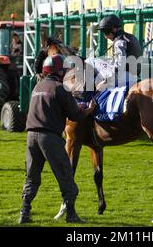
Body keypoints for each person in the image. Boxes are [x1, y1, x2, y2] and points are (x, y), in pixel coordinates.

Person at [19, 54, 96, 224]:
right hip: (49, 138)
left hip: (31, 137)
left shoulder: (37, 87)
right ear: (60, 72)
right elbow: (74, 115)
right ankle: (71, 215)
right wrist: (88, 110)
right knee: (66, 175)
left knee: (32, 177)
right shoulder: (60, 88)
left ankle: (24, 213)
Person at [96, 14, 143, 89]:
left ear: (114, 29)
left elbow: (120, 65)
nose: (105, 36)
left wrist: (106, 81)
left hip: (124, 77)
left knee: (97, 87)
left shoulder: (119, 42)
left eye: (106, 32)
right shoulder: (131, 37)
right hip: (135, 76)